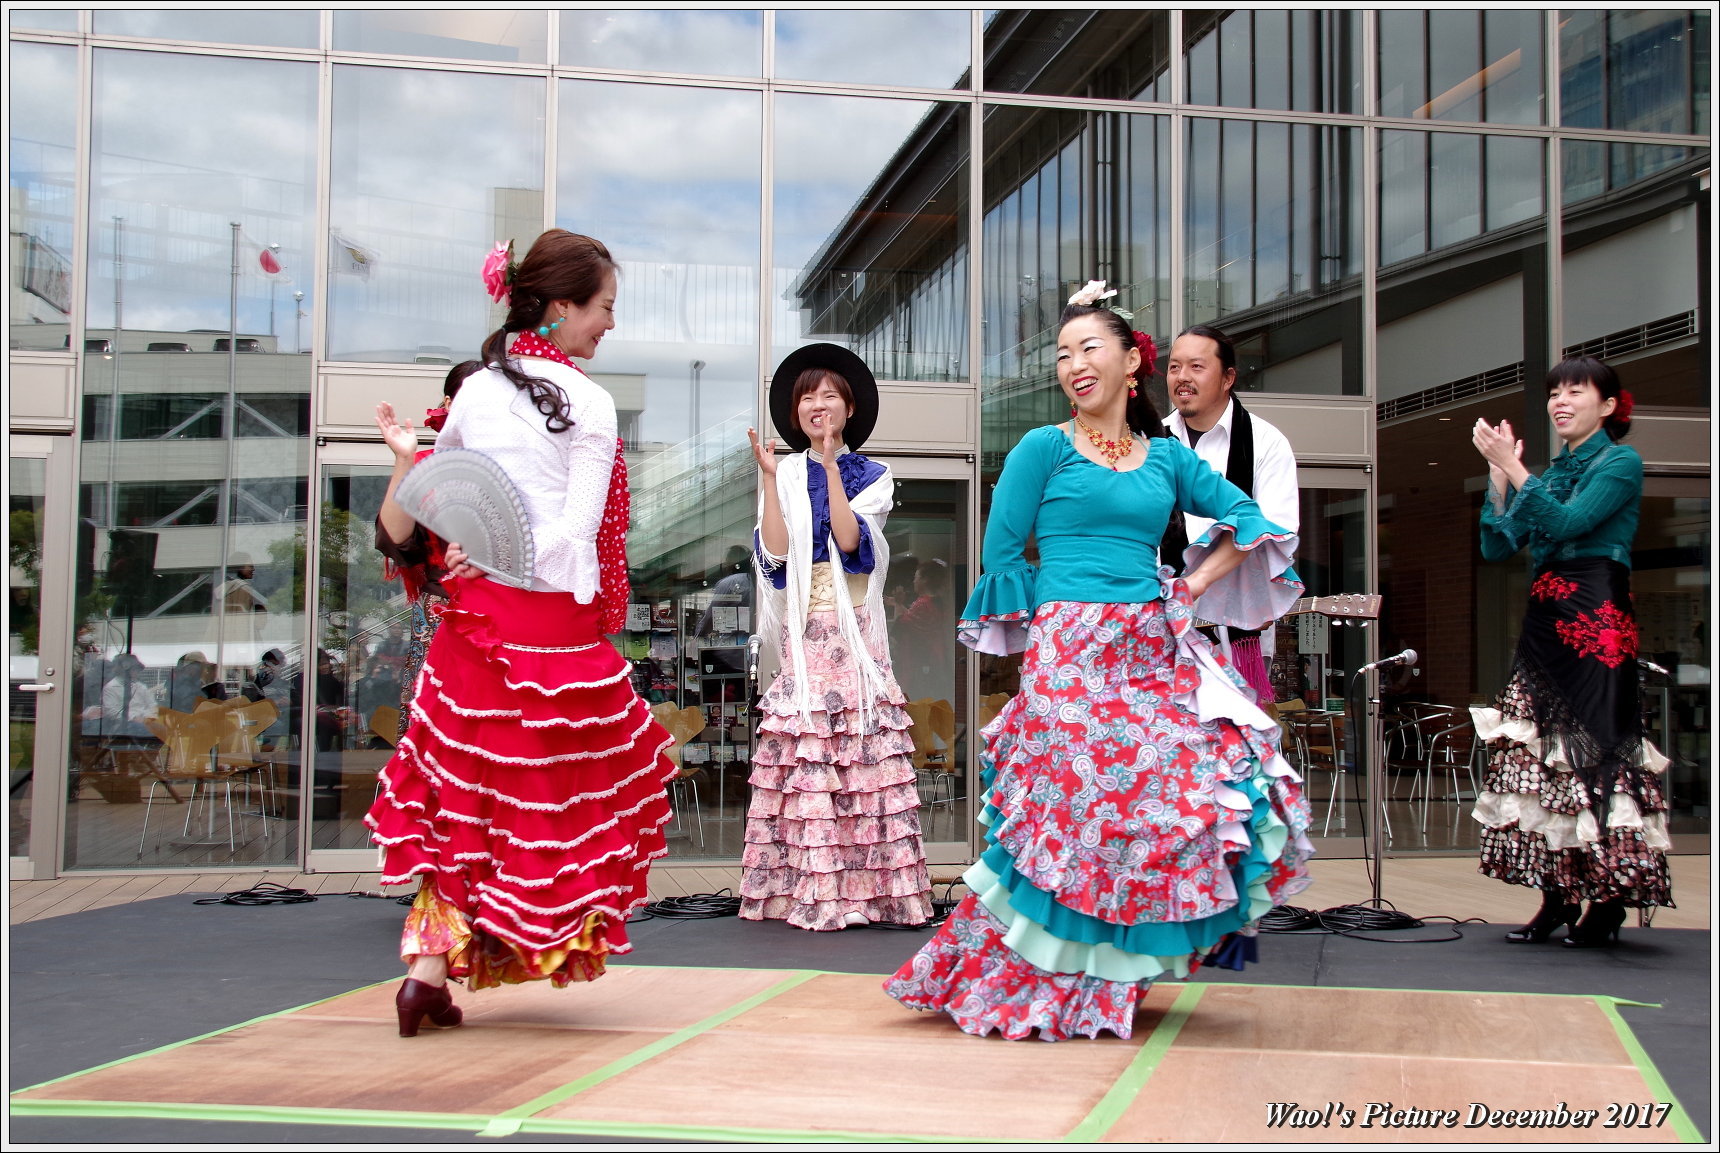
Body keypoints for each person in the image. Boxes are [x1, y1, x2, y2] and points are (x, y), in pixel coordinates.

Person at [885, 281, 1311, 1041]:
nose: (1072, 363)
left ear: (1130, 361)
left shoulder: (1166, 459)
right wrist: (1049, 639)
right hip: (1070, 653)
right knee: (1075, 816)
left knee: (1184, 793)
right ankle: (1042, 977)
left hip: (1151, 648)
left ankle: (1110, 978)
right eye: (1061, 354)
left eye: (1089, 347)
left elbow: (1250, 518)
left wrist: (1192, 584)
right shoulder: (1042, 448)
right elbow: (1001, 554)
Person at [365, 230, 676, 1035]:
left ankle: (425, 973)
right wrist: (509, 553)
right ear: (563, 304)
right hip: (552, 627)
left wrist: (473, 549)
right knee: (558, 802)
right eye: (604, 307)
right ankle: (525, 939)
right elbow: (577, 533)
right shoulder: (594, 403)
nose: (609, 323)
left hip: (473, 622)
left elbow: (440, 500)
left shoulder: (474, 394)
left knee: (461, 802)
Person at [1469, 355, 1671, 947]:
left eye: (1574, 392)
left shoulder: (1620, 462)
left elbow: (1570, 520)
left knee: (1596, 753)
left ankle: (1606, 901)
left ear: (1607, 405)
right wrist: (1499, 478)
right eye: (1554, 391)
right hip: (1544, 618)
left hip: (1597, 615)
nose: (1560, 401)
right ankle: (1556, 897)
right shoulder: (1553, 471)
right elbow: (1497, 544)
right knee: (1540, 757)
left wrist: (1515, 466)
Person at [741, 343, 934, 931]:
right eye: (807, 396)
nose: (817, 404)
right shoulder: (786, 470)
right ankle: (801, 893)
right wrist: (774, 482)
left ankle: (872, 894)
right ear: (796, 411)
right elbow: (774, 557)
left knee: (860, 752)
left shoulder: (871, 473)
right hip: (804, 633)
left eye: (830, 395)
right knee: (807, 752)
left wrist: (828, 467)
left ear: (849, 409)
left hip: (853, 633)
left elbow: (854, 549)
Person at [1161, 324, 1300, 704]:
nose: (1182, 378)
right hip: (1161, 626)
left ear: (1228, 378)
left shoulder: (1265, 442)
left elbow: (1273, 531)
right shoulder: (1151, 442)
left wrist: (1202, 581)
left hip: (1235, 630)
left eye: (1196, 367)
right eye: (1174, 367)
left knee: (1234, 750)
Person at [374, 359, 485, 739]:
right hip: (442, 619)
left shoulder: (522, 468)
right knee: (436, 740)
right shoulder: (425, 466)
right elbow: (395, 540)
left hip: (507, 621)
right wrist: (404, 459)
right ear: (448, 403)